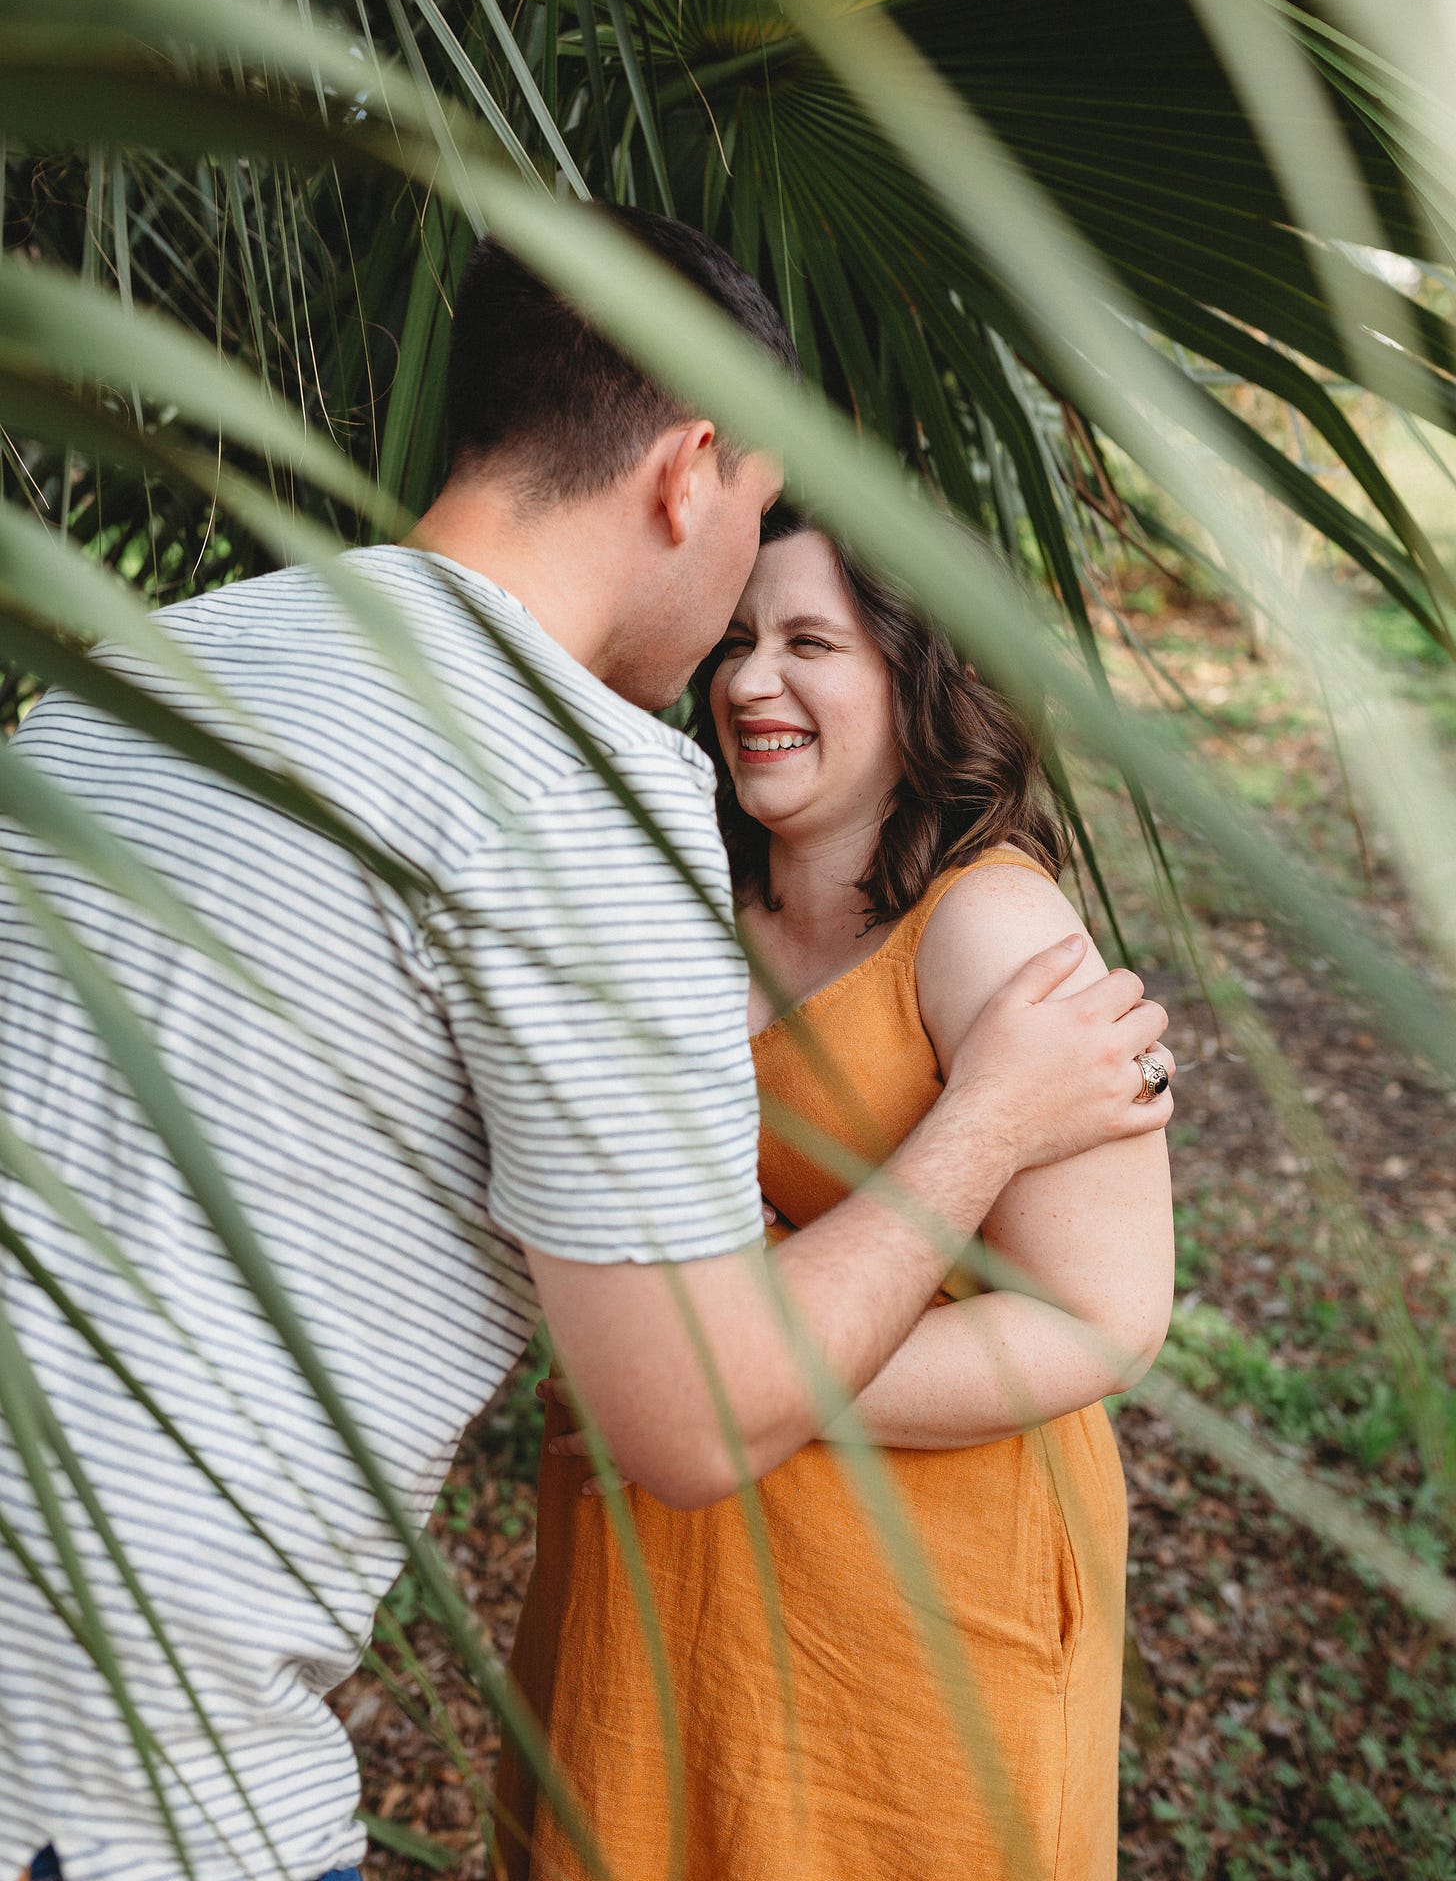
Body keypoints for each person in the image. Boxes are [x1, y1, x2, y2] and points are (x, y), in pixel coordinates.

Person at [0, 209, 1171, 1881]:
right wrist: (987, 1116)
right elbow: (690, 1414)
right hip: (125, 1791)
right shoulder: (572, 793)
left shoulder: (143, 671)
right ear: (691, 473)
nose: (734, 647)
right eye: (755, 522)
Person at [494, 507, 1175, 1881]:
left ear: (921, 676)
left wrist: (715, 1385)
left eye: (811, 642)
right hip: (664, 1573)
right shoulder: (683, 890)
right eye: (737, 642)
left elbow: (1102, 1315)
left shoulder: (990, 926)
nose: (750, 683)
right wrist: (688, 1390)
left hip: (910, 1612)